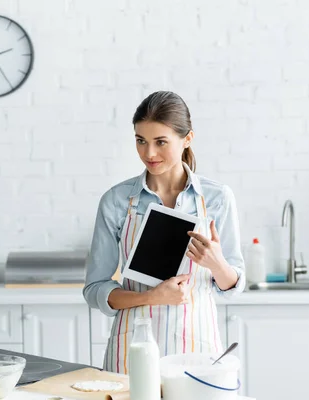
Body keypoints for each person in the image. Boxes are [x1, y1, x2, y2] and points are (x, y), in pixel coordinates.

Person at [83, 91, 245, 374]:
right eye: (141, 141)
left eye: (161, 142)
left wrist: (217, 263)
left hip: (197, 350)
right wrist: (152, 297)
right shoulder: (117, 200)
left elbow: (233, 285)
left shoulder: (217, 197)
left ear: (187, 139)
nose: (149, 153)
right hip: (132, 350)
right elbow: (95, 289)